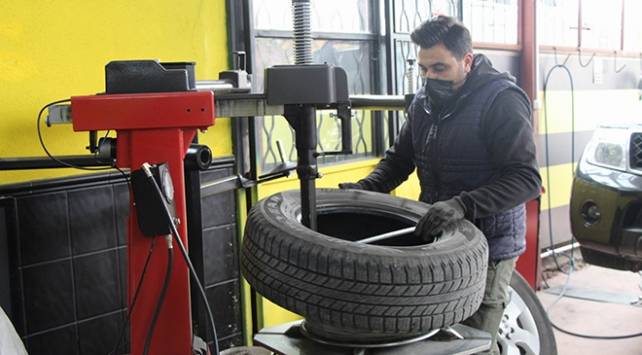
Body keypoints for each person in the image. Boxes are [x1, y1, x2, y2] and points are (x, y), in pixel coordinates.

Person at [339, 15, 541, 354]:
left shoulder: (502, 100)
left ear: (467, 60)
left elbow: (526, 179)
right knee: (433, 341)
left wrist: (463, 205)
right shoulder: (424, 103)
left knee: (474, 343)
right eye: (424, 69)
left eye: (440, 68)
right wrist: (366, 188)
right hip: (438, 241)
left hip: (489, 246)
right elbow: (401, 159)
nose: (430, 77)